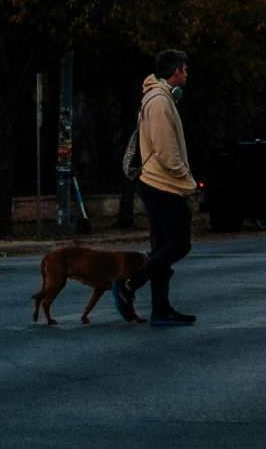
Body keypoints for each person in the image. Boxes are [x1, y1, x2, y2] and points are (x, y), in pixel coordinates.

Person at [114, 50, 198, 327]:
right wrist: (186, 177)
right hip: (162, 183)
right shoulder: (160, 101)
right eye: (185, 69)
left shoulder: (155, 97)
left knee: (162, 247)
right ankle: (128, 286)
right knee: (179, 244)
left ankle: (161, 309)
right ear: (176, 71)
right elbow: (166, 150)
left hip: (154, 182)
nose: (187, 74)